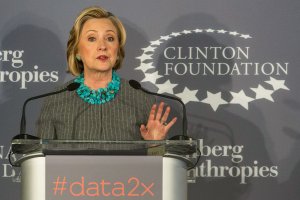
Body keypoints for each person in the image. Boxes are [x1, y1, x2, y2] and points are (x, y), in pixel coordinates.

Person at [37, 6, 177, 140]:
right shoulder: (56, 101)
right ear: (77, 51)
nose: (103, 46)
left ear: (117, 51)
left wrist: (154, 145)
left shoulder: (142, 99)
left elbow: (157, 162)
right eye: (92, 38)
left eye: (110, 38)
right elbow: (41, 161)